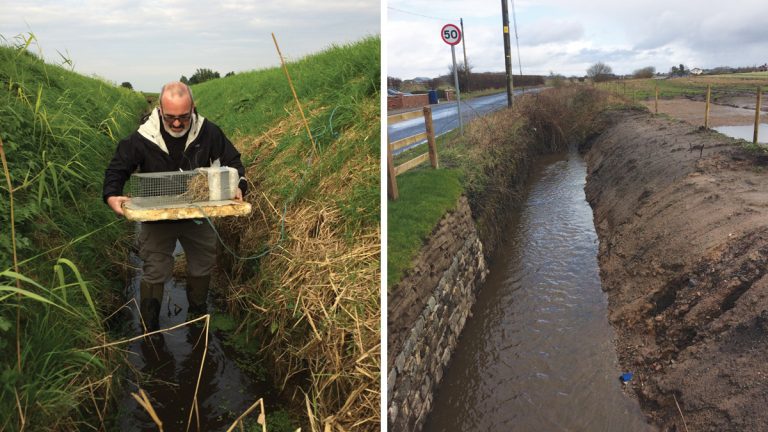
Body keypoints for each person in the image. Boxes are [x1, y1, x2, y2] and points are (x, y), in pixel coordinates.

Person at [103, 81, 247, 332]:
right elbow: (118, 167)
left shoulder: (209, 132)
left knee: (202, 263)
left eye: (183, 117)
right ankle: (150, 329)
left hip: (198, 214)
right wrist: (112, 195)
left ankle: (197, 318)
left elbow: (234, 162)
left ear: (193, 108)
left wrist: (238, 187)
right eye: (171, 118)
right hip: (157, 218)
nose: (178, 123)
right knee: (155, 269)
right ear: (159, 110)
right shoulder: (142, 137)